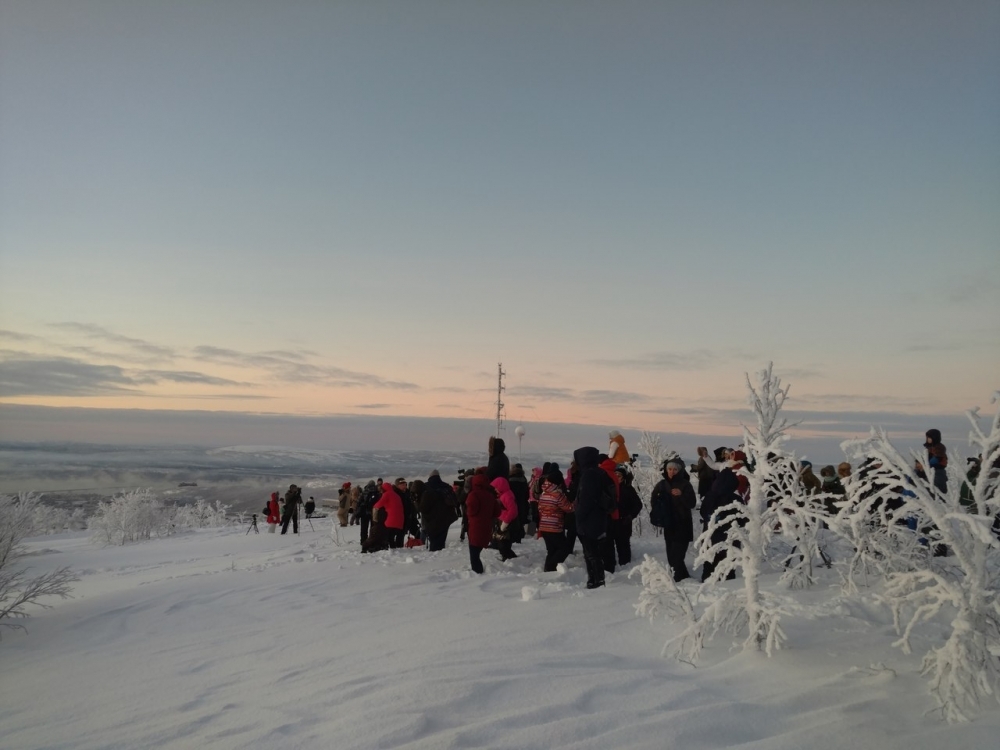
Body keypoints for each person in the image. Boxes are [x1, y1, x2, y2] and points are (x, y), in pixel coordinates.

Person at [699, 451, 749, 581]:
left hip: (710, 536)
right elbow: (743, 519)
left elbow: (703, 512)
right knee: (727, 567)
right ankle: (727, 585)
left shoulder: (709, 496)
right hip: (729, 539)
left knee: (709, 563)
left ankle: (706, 583)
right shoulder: (735, 499)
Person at [573, 446, 616, 589]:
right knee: (593, 551)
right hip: (599, 518)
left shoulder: (589, 475)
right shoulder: (599, 472)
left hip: (590, 520)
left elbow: (586, 499)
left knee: (591, 553)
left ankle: (596, 580)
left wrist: (578, 515)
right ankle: (595, 580)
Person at [650, 460, 697, 581]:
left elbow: (692, 503)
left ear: (679, 471)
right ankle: (683, 579)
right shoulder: (662, 484)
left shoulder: (685, 484)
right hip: (669, 524)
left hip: (682, 524)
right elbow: (653, 500)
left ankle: (680, 580)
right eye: (669, 469)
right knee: (671, 556)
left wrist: (681, 495)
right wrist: (660, 511)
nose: (671, 472)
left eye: (675, 469)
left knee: (677, 556)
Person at [537, 467, 574, 571]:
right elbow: (569, 508)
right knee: (565, 548)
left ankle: (548, 570)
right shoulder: (558, 495)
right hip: (554, 526)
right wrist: (575, 503)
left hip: (544, 526)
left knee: (551, 550)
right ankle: (551, 567)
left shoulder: (544, 493)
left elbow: (539, 508)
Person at [465, 471, 502, 574]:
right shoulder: (490, 495)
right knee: (477, 551)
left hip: (475, 527)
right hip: (487, 527)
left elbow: (471, 511)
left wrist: (467, 510)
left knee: (474, 554)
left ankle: (477, 574)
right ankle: (478, 572)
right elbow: (497, 512)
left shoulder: (473, 495)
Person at [419, 469, 459, 551]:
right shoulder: (446, 486)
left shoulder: (426, 487)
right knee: (441, 539)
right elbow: (455, 501)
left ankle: (434, 553)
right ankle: (440, 552)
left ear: (430, 477)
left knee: (434, 540)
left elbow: (423, 507)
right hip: (446, 518)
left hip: (431, 519)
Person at [490, 476, 520, 561]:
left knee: (504, 544)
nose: (495, 489)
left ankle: (510, 559)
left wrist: (505, 523)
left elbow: (512, 511)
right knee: (502, 543)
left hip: (508, 523)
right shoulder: (503, 495)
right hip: (504, 521)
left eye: (496, 487)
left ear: (501, 487)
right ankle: (508, 558)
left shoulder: (507, 496)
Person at [373, 481, 405, 548]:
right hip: (400, 520)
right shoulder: (396, 495)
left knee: (388, 537)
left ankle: (391, 550)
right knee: (392, 536)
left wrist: (374, 507)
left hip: (391, 520)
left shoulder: (387, 494)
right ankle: (395, 549)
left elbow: (379, 504)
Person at [924, 429, 949, 493]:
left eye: (929, 438)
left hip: (937, 471)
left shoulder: (939, 448)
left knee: (937, 491)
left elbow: (936, 459)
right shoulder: (930, 448)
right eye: (927, 438)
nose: (928, 439)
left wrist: (926, 463)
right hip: (931, 471)